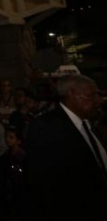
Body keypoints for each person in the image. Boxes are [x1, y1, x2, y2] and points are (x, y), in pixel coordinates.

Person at [24, 74, 107, 221]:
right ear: (72, 95)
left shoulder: (89, 123)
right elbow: (44, 183)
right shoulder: (45, 127)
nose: (99, 101)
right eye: (92, 95)